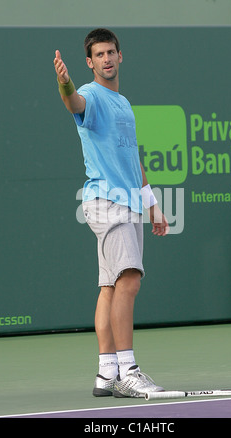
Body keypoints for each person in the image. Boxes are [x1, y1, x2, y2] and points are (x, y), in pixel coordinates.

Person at [54, 28, 169, 398]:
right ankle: (129, 370)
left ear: (121, 56)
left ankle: (107, 372)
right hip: (107, 201)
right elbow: (74, 105)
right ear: (90, 62)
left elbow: (133, 160)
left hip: (126, 202)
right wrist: (66, 84)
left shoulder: (124, 103)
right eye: (99, 54)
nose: (106, 59)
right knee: (130, 280)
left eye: (110, 52)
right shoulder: (91, 94)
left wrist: (152, 206)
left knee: (110, 286)